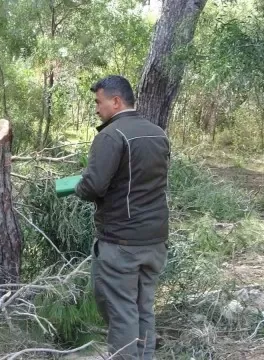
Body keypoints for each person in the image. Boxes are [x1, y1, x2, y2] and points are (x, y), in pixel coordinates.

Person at [74, 75, 170, 360]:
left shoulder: (111, 136)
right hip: (155, 241)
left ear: (116, 101)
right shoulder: (158, 133)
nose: (96, 108)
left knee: (121, 311)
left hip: (122, 243)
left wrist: (77, 186)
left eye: (98, 102)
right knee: (143, 308)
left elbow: (93, 186)